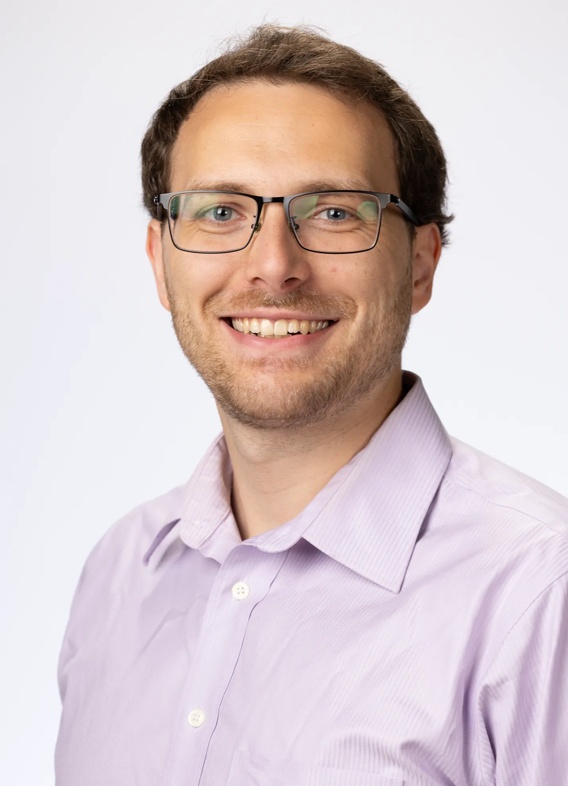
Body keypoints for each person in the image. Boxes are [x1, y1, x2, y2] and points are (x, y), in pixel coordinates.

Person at [55, 24, 568, 786]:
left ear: (421, 263)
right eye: (220, 212)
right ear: (161, 264)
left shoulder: (540, 595)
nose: (273, 267)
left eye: (333, 212)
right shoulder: (119, 576)